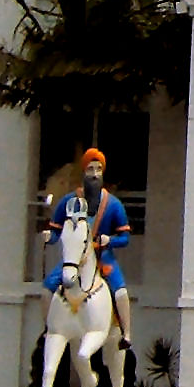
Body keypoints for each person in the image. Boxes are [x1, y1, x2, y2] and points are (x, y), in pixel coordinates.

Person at [44, 147, 133, 348]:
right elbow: (57, 231)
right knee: (48, 287)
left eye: (98, 170)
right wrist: (50, 237)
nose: (94, 174)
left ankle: (126, 334)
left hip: (103, 257)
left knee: (120, 292)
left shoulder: (113, 204)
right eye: (90, 169)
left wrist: (108, 241)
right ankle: (48, 328)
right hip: (76, 260)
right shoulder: (68, 201)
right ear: (84, 172)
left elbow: (125, 238)